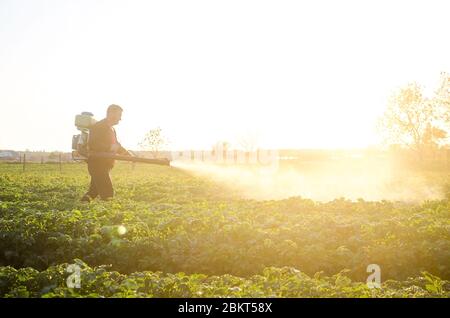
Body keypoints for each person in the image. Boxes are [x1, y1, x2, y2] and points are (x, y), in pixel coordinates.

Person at [81, 104, 131, 202]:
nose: (120, 119)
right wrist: (109, 147)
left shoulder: (111, 129)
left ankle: (83, 203)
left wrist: (127, 155)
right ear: (111, 113)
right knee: (108, 192)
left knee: (93, 192)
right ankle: (109, 214)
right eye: (119, 115)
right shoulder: (98, 126)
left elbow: (116, 145)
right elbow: (93, 143)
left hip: (105, 165)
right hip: (97, 165)